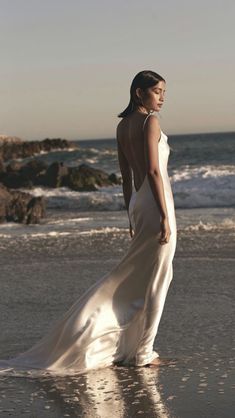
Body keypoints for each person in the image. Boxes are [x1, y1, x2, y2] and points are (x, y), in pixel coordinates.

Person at [0, 70, 177, 377]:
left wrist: (130, 213)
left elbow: (126, 176)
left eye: (164, 92)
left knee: (139, 274)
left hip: (139, 203)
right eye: (157, 91)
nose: (163, 97)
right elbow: (152, 171)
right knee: (158, 276)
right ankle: (142, 353)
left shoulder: (122, 127)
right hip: (155, 202)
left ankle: (133, 346)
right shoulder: (151, 122)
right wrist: (163, 215)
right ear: (139, 93)